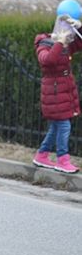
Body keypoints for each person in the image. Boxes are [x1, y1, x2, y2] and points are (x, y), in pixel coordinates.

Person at [32, 15, 82, 173]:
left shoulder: (66, 44)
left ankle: (41, 155)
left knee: (55, 127)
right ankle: (62, 159)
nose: (69, 38)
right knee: (64, 125)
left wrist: (79, 27)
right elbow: (47, 60)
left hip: (63, 92)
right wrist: (59, 43)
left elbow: (80, 42)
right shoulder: (44, 43)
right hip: (53, 93)